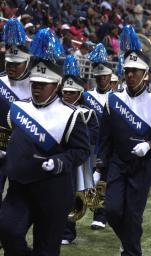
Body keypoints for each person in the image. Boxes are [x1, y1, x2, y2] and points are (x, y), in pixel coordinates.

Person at [0, 28, 90, 256]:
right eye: (34, 83)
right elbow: (15, 138)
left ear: (57, 85)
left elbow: (82, 150)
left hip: (54, 191)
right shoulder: (19, 108)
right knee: (7, 231)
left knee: (47, 249)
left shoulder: (71, 114)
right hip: (19, 188)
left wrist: (60, 161)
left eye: (43, 84)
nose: (37, 88)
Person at [97, 26, 151, 256]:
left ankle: (131, 252)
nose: (130, 75)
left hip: (142, 166)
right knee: (113, 210)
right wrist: (99, 166)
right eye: (127, 70)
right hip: (118, 162)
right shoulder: (112, 100)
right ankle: (130, 245)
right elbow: (104, 138)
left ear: (146, 74)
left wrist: (150, 145)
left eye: (136, 71)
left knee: (133, 216)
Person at [61, 55, 99, 245]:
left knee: (72, 194)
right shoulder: (56, 108)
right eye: (64, 92)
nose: (66, 96)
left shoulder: (87, 112)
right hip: (58, 157)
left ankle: (68, 232)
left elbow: (92, 136)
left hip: (77, 161)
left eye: (70, 93)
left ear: (78, 94)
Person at [0, 18, 31, 207]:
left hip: (24, 152)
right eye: (8, 63)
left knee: (19, 199)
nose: (11, 67)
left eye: (16, 64)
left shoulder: (37, 86)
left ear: (26, 62)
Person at [83, 43, 113, 230]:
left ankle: (100, 214)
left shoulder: (118, 97)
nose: (101, 79)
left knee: (104, 181)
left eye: (105, 76)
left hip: (109, 145)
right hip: (90, 144)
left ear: (111, 76)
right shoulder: (86, 96)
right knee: (86, 180)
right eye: (99, 76)